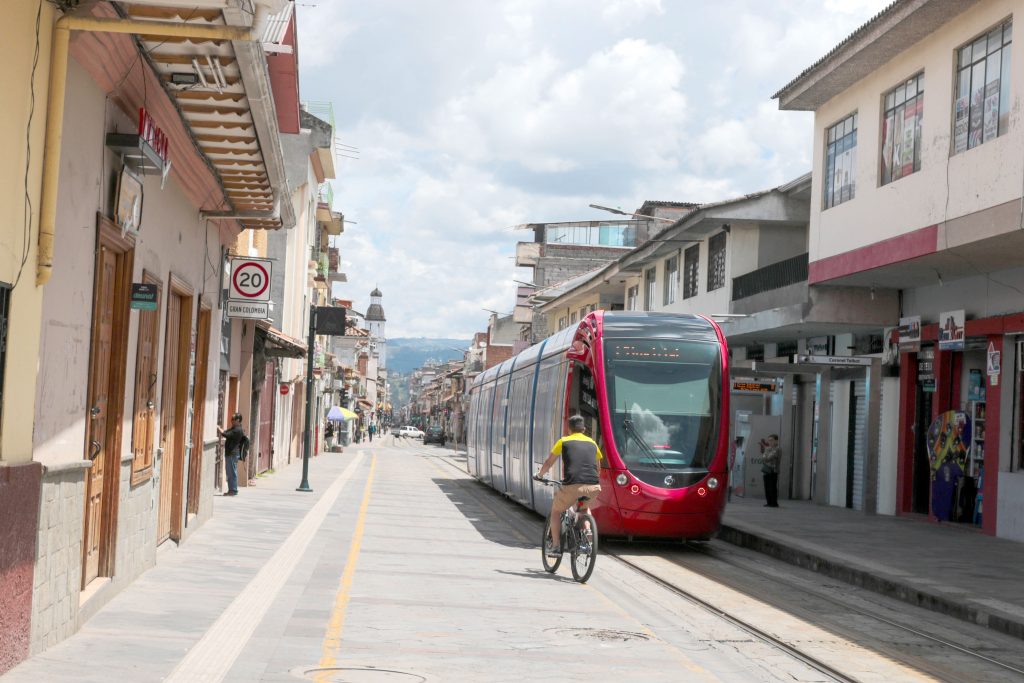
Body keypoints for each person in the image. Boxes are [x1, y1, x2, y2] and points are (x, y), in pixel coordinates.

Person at [534, 415, 603, 557]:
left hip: (572, 485)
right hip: (593, 486)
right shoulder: (592, 443)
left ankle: (555, 546)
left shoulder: (564, 441)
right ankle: (587, 535)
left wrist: (539, 475)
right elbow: (598, 467)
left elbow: (549, 462)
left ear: (569, 429)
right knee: (584, 508)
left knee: (556, 511)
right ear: (584, 429)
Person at [217, 413, 249, 497]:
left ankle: (233, 490)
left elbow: (226, 434)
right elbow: (227, 432)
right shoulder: (234, 428)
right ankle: (231, 490)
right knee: (230, 472)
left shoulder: (238, 430)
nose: (231, 421)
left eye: (233, 419)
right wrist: (222, 430)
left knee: (231, 473)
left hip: (232, 454)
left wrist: (218, 429)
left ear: (238, 420)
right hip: (231, 453)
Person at [760, 434, 780, 508]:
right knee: (767, 486)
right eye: (769, 440)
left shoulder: (777, 449)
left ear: (776, 441)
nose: (770, 442)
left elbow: (768, 458)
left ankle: (774, 503)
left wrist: (766, 454)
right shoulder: (768, 449)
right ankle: (768, 502)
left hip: (773, 471)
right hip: (766, 470)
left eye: (771, 440)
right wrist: (766, 454)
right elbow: (763, 458)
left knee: (772, 487)